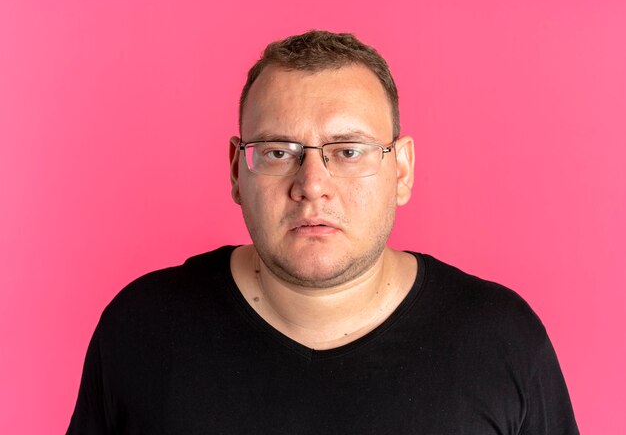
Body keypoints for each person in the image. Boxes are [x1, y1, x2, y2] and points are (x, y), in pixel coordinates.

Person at [67, 30, 578, 434]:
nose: (312, 185)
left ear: (401, 170)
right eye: (276, 152)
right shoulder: (140, 331)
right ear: (235, 172)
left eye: (348, 151)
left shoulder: (502, 342)